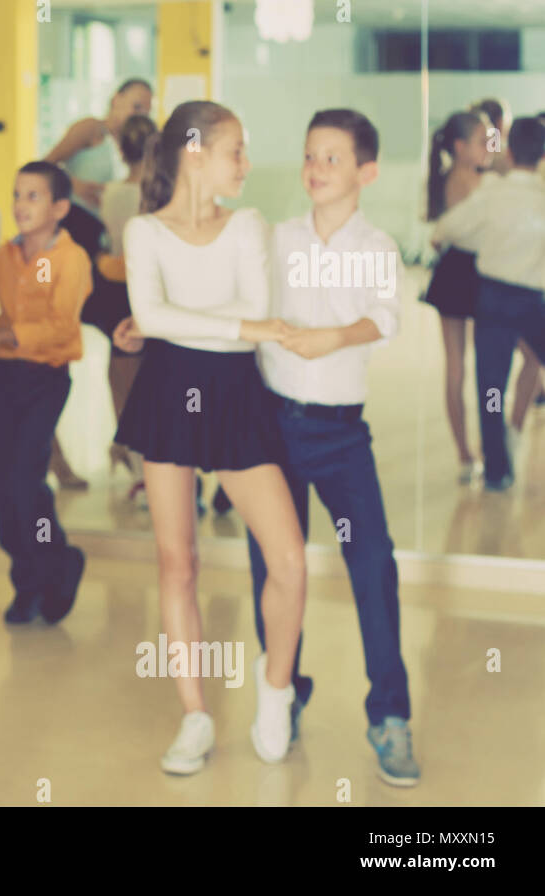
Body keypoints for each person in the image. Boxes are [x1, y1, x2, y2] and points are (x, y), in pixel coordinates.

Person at [110, 101, 307, 774]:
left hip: (235, 394)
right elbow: (150, 317)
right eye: (237, 151)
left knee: (289, 559)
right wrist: (238, 328)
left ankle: (275, 689)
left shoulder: (248, 224)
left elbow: (242, 309)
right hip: (169, 390)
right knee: (178, 563)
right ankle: (194, 715)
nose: (247, 165)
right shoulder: (143, 231)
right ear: (195, 151)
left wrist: (184, 320)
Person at [250, 109, 418, 786]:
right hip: (271, 428)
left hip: (341, 435)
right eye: (311, 156)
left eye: (334, 158)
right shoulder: (276, 238)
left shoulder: (377, 246)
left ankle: (390, 715)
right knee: (275, 567)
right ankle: (284, 691)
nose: (317, 168)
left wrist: (332, 338)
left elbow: (385, 317)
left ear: (366, 173)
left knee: (372, 562)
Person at [0, 161, 91, 625]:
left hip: (45, 379)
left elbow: (62, 326)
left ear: (60, 207)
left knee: (26, 480)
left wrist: (0, 336)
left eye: (34, 196)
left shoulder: (70, 259)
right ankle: (30, 577)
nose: (21, 205)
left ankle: (56, 563)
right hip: (3, 379)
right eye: (18, 194)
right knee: (6, 492)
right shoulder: (4, 255)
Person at [45, 78, 154, 488]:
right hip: (70, 247)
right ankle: (55, 455)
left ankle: (123, 441)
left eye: (146, 107)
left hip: (100, 253)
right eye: (134, 103)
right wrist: (75, 186)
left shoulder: (127, 152)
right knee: (51, 351)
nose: (139, 111)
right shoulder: (90, 129)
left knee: (124, 343)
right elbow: (43, 167)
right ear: (115, 100)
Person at [434, 116, 545, 491]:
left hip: (494, 299)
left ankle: (496, 469)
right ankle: (503, 447)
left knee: (492, 387)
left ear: (510, 152)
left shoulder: (493, 193)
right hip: (534, 300)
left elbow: (448, 227)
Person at [423, 111, 489, 482]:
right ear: (461, 148)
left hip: (450, 274)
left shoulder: (447, 177)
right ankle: (486, 445)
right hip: (476, 275)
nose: (490, 149)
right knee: (482, 368)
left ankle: (465, 454)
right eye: (484, 141)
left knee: (456, 367)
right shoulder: (478, 182)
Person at [98, 113, 156, 508]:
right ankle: (143, 466)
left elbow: (111, 246)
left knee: (124, 383)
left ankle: (134, 461)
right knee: (150, 386)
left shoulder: (113, 194)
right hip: (149, 294)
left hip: (118, 293)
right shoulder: (159, 194)